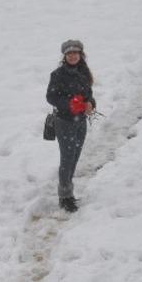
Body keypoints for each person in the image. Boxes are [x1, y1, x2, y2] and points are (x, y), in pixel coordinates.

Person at [45, 39, 96, 212]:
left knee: (75, 155)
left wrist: (90, 103)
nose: (73, 56)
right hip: (65, 122)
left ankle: (68, 190)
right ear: (64, 56)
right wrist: (69, 104)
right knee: (67, 158)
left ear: (81, 55)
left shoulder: (84, 72)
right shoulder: (58, 75)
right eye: (69, 54)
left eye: (75, 53)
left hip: (80, 121)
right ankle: (65, 196)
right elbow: (51, 97)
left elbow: (88, 94)